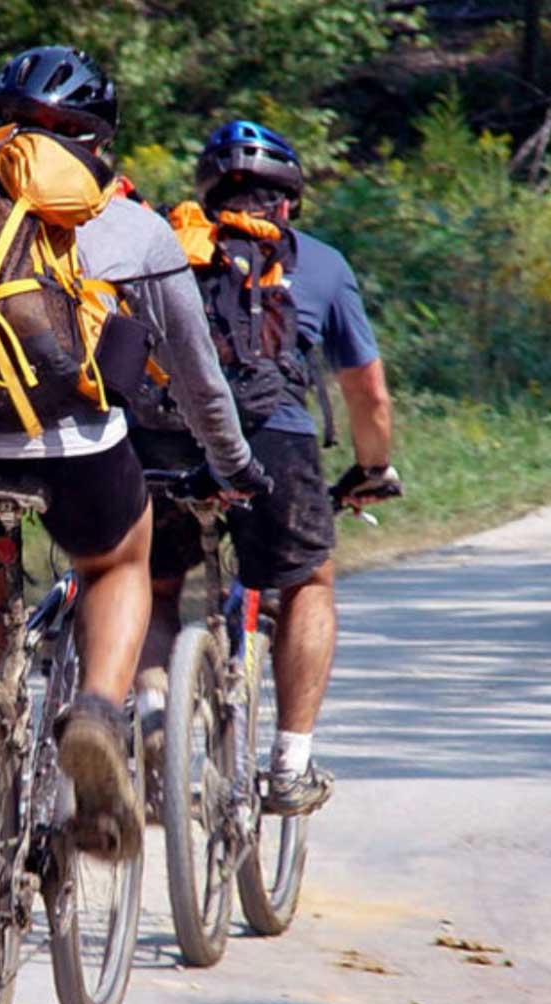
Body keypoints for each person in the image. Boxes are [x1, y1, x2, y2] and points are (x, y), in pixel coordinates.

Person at [0, 47, 268, 862]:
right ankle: (97, 711)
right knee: (117, 564)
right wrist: (236, 465)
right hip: (72, 446)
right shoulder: (132, 223)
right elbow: (200, 379)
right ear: (100, 138)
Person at [133, 119, 402, 816]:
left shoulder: (164, 245)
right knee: (309, 580)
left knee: (153, 585)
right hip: (272, 441)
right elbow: (366, 391)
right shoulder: (320, 263)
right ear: (289, 201)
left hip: (163, 439)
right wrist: (373, 468)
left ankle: (154, 716)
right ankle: (289, 765)